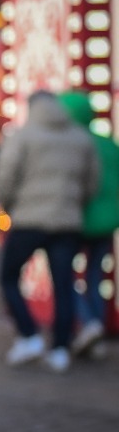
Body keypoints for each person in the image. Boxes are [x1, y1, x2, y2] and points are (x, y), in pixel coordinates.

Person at [0, 90, 98, 373]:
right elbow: (92, 182)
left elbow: (6, 177)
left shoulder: (23, 135)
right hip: (67, 222)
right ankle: (60, 348)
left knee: (8, 277)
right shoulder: (79, 138)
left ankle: (29, 335)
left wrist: (11, 205)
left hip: (29, 220)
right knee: (64, 285)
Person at [58, 91, 118, 359]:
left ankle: (88, 323)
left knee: (66, 276)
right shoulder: (108, 144)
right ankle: (96, 331)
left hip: (77, 220)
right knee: (95, 277)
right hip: (106, 222)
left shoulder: (71, 146)